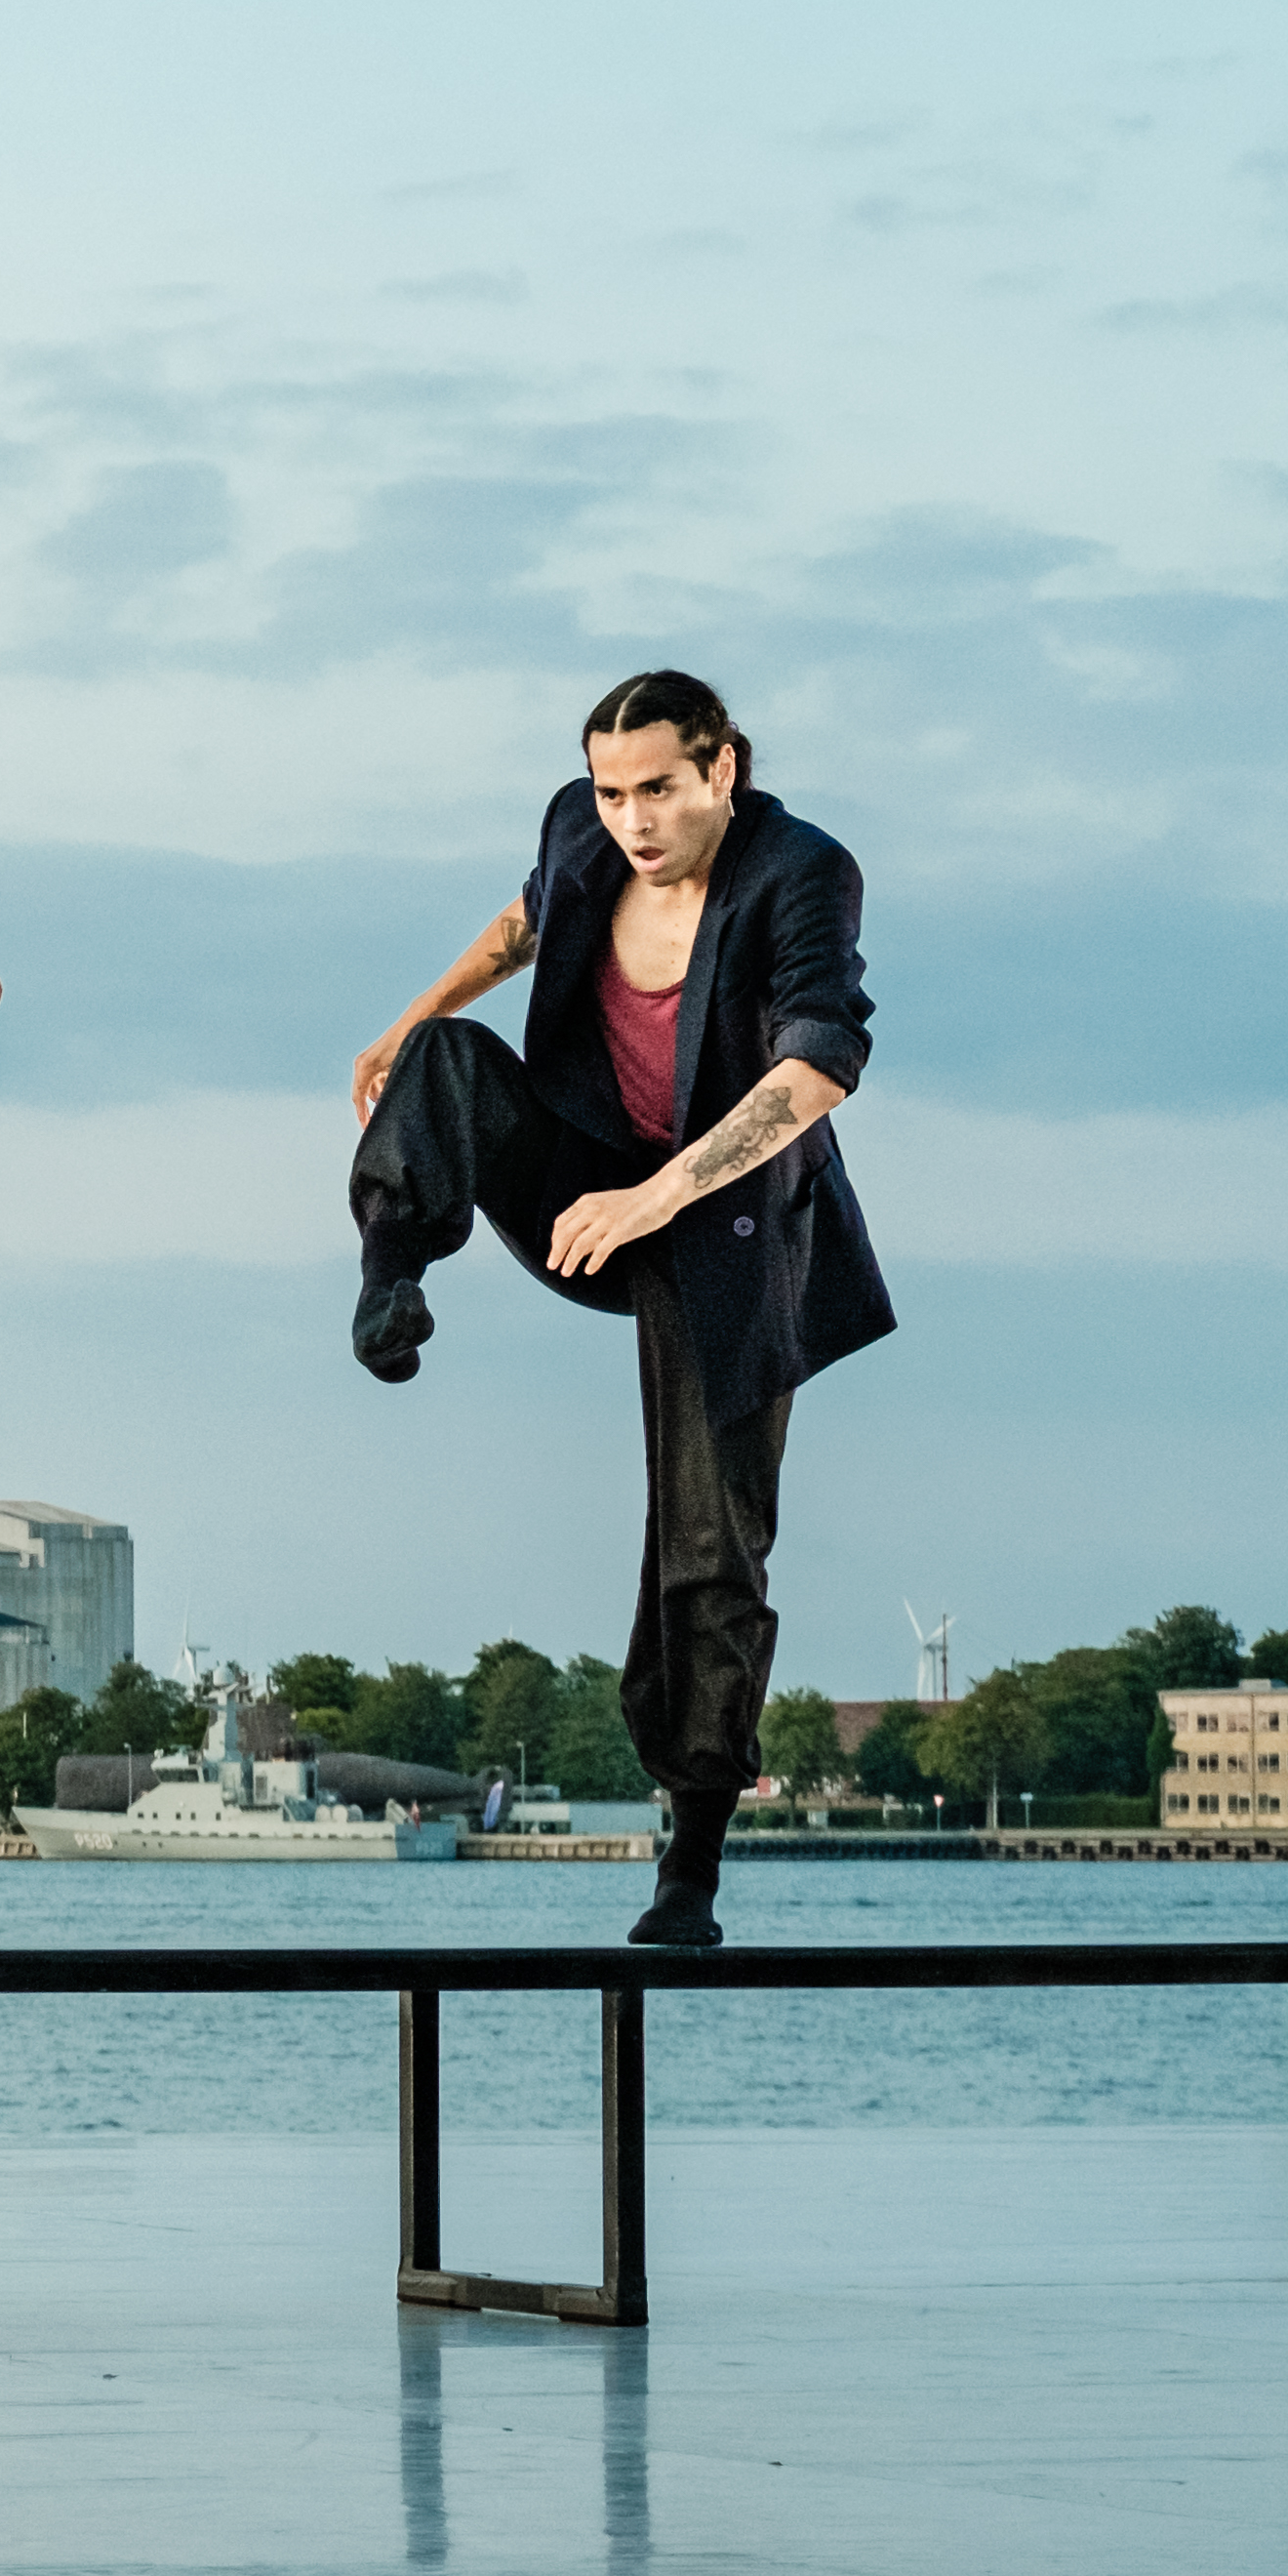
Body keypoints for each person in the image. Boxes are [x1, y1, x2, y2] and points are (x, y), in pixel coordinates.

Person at [344, 669, 883, 1948]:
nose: (633, 817)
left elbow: (816, 1071)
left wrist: (657, 1199)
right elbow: (524, 924)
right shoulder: (582, 831)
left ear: (722, 772)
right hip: (581, 1172)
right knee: (443, 1066)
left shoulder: (801, 874)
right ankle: (392, 1279)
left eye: (658, 789)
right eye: (611, 789)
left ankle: (689, 1861)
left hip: (729, 1225)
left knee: (711, 1543)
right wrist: (413, 1018)